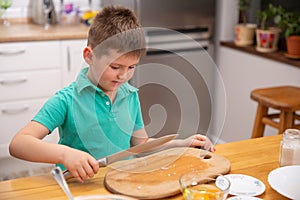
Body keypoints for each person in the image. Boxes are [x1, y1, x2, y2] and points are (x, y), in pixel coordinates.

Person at [9, 6, 215, 183]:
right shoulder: (66, 100)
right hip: (80, 187)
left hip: (125, 182)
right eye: (115, 66)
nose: (124, 76)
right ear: (89, 56)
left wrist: (182, 144)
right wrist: (65, 154)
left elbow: (140, 146)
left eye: (132, 67)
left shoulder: (130, 96)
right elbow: (19, 143)